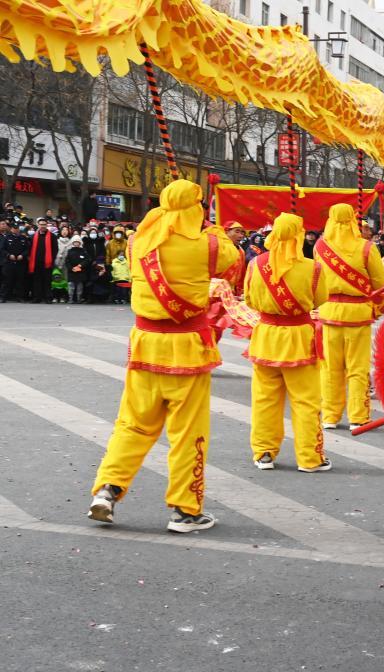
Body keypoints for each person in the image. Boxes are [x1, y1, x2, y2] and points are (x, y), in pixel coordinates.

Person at [87, 179, 240, 533]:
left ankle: (107, 490)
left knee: (133, 424)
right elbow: (233, 265)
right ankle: (185, 511)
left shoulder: (141, 239)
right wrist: (212, 228)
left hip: (145, 344)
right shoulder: (210, 244)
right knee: (188, 432)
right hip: (187, 346)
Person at [244, 212, 330, 472]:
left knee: (265, 399)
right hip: (299, 338)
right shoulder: (312, 268)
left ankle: (264, 453)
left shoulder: (255, 264)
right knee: (306, 400)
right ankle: (309, 458)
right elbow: (320, 299)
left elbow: (248, 299)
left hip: (266, 335)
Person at [316, 203, 384, 431]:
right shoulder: (365, 248)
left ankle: (330, 415)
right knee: (357, 368)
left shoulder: (320, 247)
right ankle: (358, 415)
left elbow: (316, 280)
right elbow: (379, 283)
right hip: (357, 314)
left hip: (329, 313)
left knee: (330, 368)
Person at [28, 219, 58, 303]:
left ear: (46, 225)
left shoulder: (52, 236)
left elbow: (55, 249)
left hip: (47, 263)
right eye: (41, 224)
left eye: (44, 224)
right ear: (38, 225)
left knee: (47, 281)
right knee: (37, 281)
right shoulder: (33, 236)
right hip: (36, 263)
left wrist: (51, 260)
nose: (43, 226)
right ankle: (37, 298)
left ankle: (48, 298)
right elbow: (30, 249)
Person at [1, 222, 29, 302]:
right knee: (7, 281)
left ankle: (20, 297)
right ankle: (3, 297)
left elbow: (27, 249)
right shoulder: (6, 238)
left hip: (20, 263)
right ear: (11, 229)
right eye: (14, 228)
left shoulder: (23, 238)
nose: (15, 230)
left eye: (17, 228)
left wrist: (22, 255)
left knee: (20, 281)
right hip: (9, 263)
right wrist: (8, 255)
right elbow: (2, 249)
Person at [64, 236, 89, 304]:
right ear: (72, 242)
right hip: (71, 272)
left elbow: (87, 260)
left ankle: (79, 298)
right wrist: (71, 268)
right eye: (75, 242)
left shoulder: (83, 251)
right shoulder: (69, 251)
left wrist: (80, 265)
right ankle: (70, 298)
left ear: (80, 242)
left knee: (79, 286)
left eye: (78, 242)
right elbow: (67, 261)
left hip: (81, 271)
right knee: (71, 286)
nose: (76, 243)